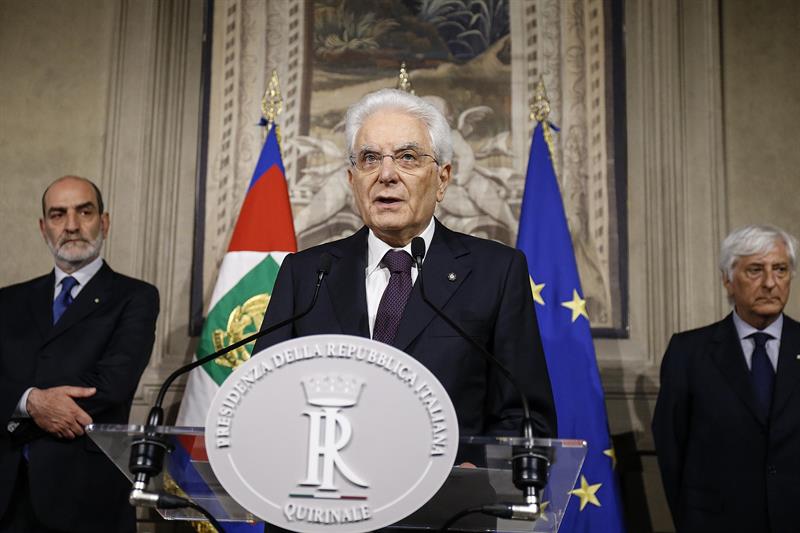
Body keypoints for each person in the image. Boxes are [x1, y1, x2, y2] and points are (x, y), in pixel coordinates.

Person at [253, 89, 556, 438]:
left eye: (407, 157)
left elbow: (526, 419)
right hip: (326, 485)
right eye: (369, 158)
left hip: (449, 489)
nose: (386, 174)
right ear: (353, 181)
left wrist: (473, 471)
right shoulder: (306, 275)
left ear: (442, 179)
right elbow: (264, 400)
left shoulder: (496, 273)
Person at [0, 176, 159, 532]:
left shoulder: (135, 297)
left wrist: (25, 399)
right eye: (58, 215)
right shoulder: (7, 301)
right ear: (44, 228)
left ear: (104, 222)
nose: (71, 226)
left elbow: (113, 384)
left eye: (83, 212)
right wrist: (30, 402)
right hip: (8, 495)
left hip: (87, 497)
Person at [652, 224, 799, 533]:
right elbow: (671, 446)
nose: (770, 283)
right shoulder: (689, 352)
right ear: (728, 280)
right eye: (756, 270)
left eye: (781, 270)